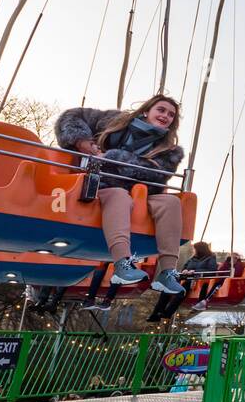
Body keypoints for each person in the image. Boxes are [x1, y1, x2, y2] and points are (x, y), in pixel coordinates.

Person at [55, 95, 186, 295]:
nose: (165, 116)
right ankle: (122, 262)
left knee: (171, 203)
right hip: (105, 185)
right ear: (146, 111)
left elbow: (156, 173)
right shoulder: (114, 122)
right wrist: (83, 141)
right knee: (119, 196)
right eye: (161, 110)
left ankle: (167, 272)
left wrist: (110, 158)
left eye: (171, 115)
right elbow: (71, 117)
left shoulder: (170, 151)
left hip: (143, 192)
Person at [149, 241, 217, 323]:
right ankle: (157, 312)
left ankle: (167, 313)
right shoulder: (193, 258)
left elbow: (212, 270)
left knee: (181, 291)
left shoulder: (211, 258)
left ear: (200, 250)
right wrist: (185, 270)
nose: (194, 251)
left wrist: (195, 271)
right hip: (186, 277)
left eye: (195, 249)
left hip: (197, 280)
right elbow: (185, 266)